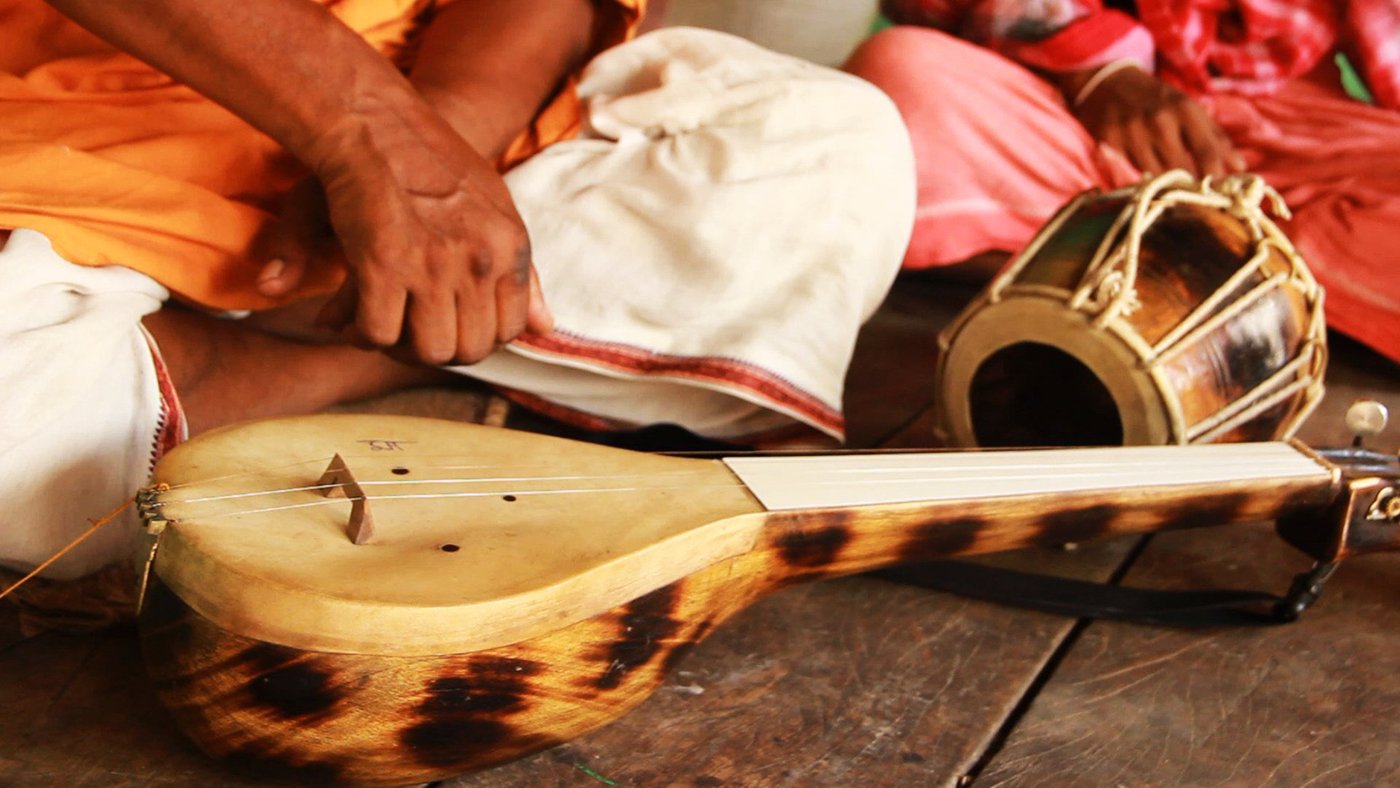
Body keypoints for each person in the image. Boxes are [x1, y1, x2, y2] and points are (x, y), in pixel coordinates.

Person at [0, 0, 915, 598]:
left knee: (832, 143)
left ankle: (371, 332)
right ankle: (390, 346)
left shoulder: (441, 137)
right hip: (76, 148)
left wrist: (444, 139)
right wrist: (356, 126)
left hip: (458, 113)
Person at [845, 0, 1400, 365]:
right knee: (900, 82)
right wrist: (1099, 70)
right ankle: (1212, 278)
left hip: (1303, 131)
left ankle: (1130, 269)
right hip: (1065, 102)